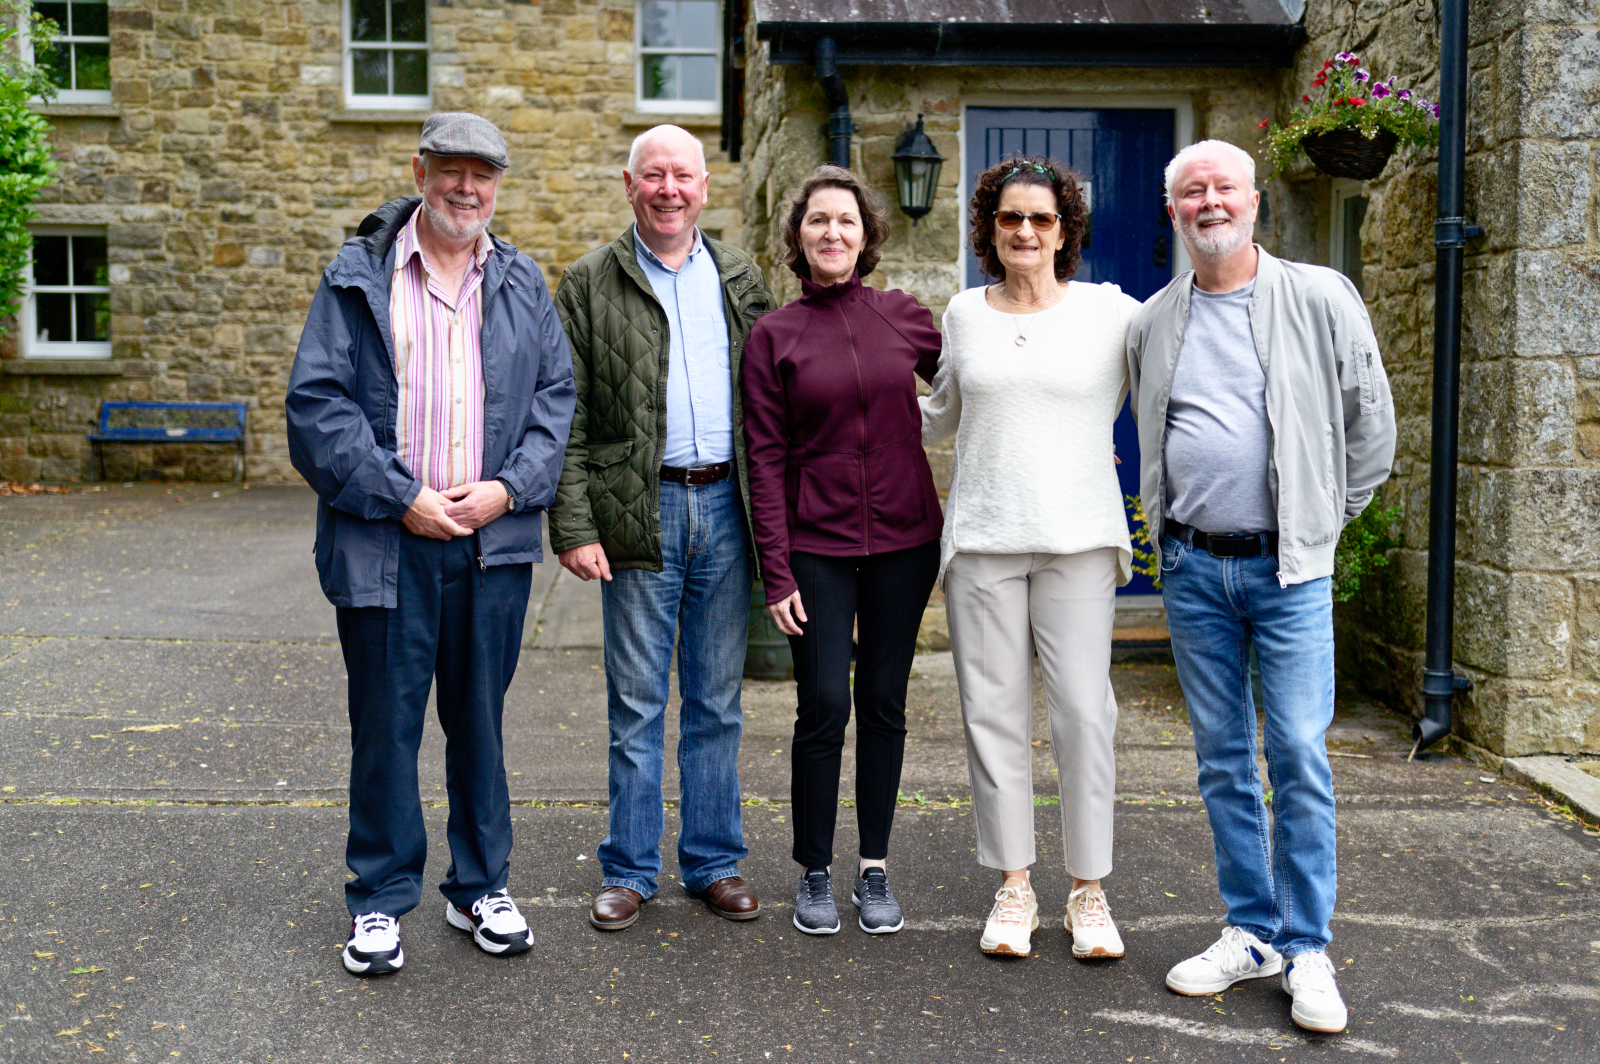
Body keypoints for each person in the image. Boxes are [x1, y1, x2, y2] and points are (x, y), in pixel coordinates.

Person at [286, 113, 576, 976]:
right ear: (421, 172)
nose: (467, 187)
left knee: (480, 722)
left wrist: (508, 490)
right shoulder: (358, 276)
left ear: (498, 184)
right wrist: (401, 496)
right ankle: (378, 898)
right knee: (386, 725)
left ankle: (481, 886)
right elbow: (316, 407)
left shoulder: (521, 282)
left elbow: (555, 400)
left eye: (483, 174)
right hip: (386, 543)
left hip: (490, 544)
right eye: (451, 169)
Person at [1127, 140, 1395, 1034]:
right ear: (1172, 210)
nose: (1209, 202)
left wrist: (1321, 520)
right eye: (1191, 191)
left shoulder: (1320, 297)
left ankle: (1307, 944)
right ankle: (1251, 932)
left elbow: (1372, 427)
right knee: (1222, 760)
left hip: (1290, 569)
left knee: (1299, 754)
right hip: (1193, 568)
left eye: (1224, 188)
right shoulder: (1153, 321)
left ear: (1253, 200)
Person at [549, 124, 774, 932]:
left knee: (717, 701)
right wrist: (574, 524)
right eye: (654, 176)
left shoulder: (740, 276)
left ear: (705, 188)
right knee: (637, 701)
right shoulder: (587, 282)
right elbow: (564, 412)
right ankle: (631, 868)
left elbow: (773, 402)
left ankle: (713, 862)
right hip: (637, 511)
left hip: (727, 509)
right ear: (629, 184)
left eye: (683, 176)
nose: (669, 189)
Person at [921, 156, 1137, 961]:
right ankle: (1014, 884)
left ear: (1065, 229)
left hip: (1078, 539)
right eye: (1010, 217)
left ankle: (1089, 890)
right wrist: (858, 383)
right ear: (990, 228)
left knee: (1084, 715)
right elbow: (939, 416)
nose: (1024, 231)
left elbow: (1165, 381)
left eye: (1041, 218)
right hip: (984, 538)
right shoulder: (963, 314)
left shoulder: (1112, 313)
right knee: (993, 716)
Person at [742, 165, 944, 937]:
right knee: (824, 703)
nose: (833, 232)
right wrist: (776, 571)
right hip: (815, 548)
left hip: (904, 544)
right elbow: (764, 458)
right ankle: (815, 871)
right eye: (818, 220)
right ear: (799, 237)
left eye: (846, 221)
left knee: (884, 704)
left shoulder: (904, 317)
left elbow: (983, 386)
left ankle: (874, 869)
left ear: (867, 237)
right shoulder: (774, 336)